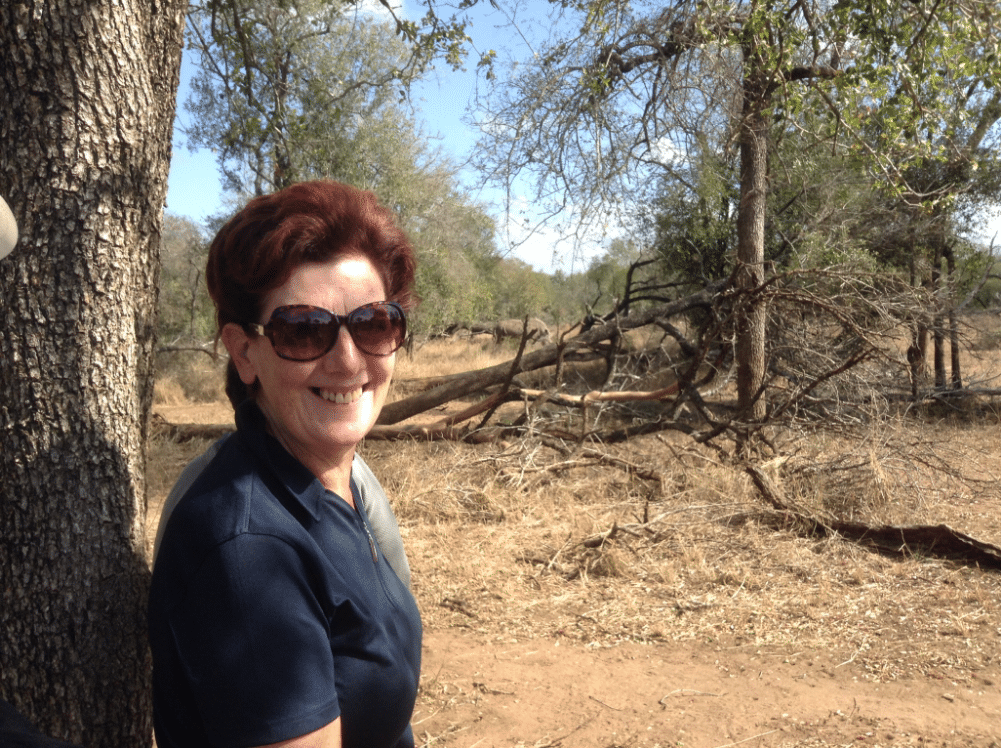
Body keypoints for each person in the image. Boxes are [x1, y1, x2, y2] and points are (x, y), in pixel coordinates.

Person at [148, 180, 422, 748]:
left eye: (374, 324)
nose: (348, 361)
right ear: (244, 351)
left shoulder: (339, 482)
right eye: (303, 330)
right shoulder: (247, 550)